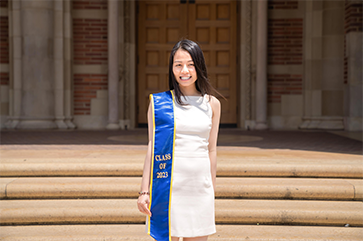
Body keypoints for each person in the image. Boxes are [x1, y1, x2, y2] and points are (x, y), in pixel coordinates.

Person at [137, 39, 221, 241]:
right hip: (171, 186)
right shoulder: (160, 104)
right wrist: (143, 191)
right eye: (178, 65)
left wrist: (212, 188)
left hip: (200, 186)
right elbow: (152, 146)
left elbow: (211, 149)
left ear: (199, 67)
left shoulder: (212, 104)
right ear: (172, 68)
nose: (185, 70)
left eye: (191, 64)